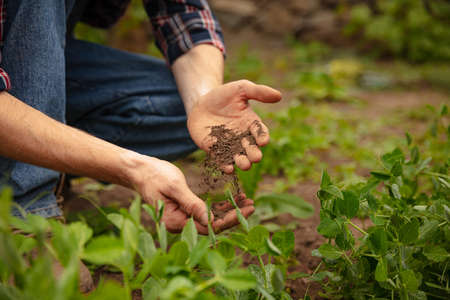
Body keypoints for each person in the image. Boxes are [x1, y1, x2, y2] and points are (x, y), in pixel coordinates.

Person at [0, 0, 281, 234]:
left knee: (179, 106)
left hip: (40, 64)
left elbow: (183, 13)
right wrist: (134, 169)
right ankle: (25, 217)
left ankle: (48, 161)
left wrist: (201, 99)